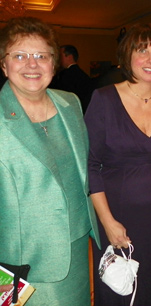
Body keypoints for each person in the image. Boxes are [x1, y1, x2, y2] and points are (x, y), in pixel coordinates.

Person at [85, 22, 151, 306]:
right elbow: (90, 165)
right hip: (119, 213)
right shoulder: (104, 99)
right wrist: (107, 223)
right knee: (122, 286)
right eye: (141, 51)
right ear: (126, 57)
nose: (150, 59)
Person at [0, 17, 100, 306]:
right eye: (19, 55)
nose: (32, 64)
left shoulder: (70, 104)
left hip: (77, 247)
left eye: (41, 56)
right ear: (4, 65)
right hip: (20, 262)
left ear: (53, 64)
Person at [51, 44, 94, 113]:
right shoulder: (83, 74)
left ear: (69, 57)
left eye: (61, 56)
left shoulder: (65, 75)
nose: (58, 59)